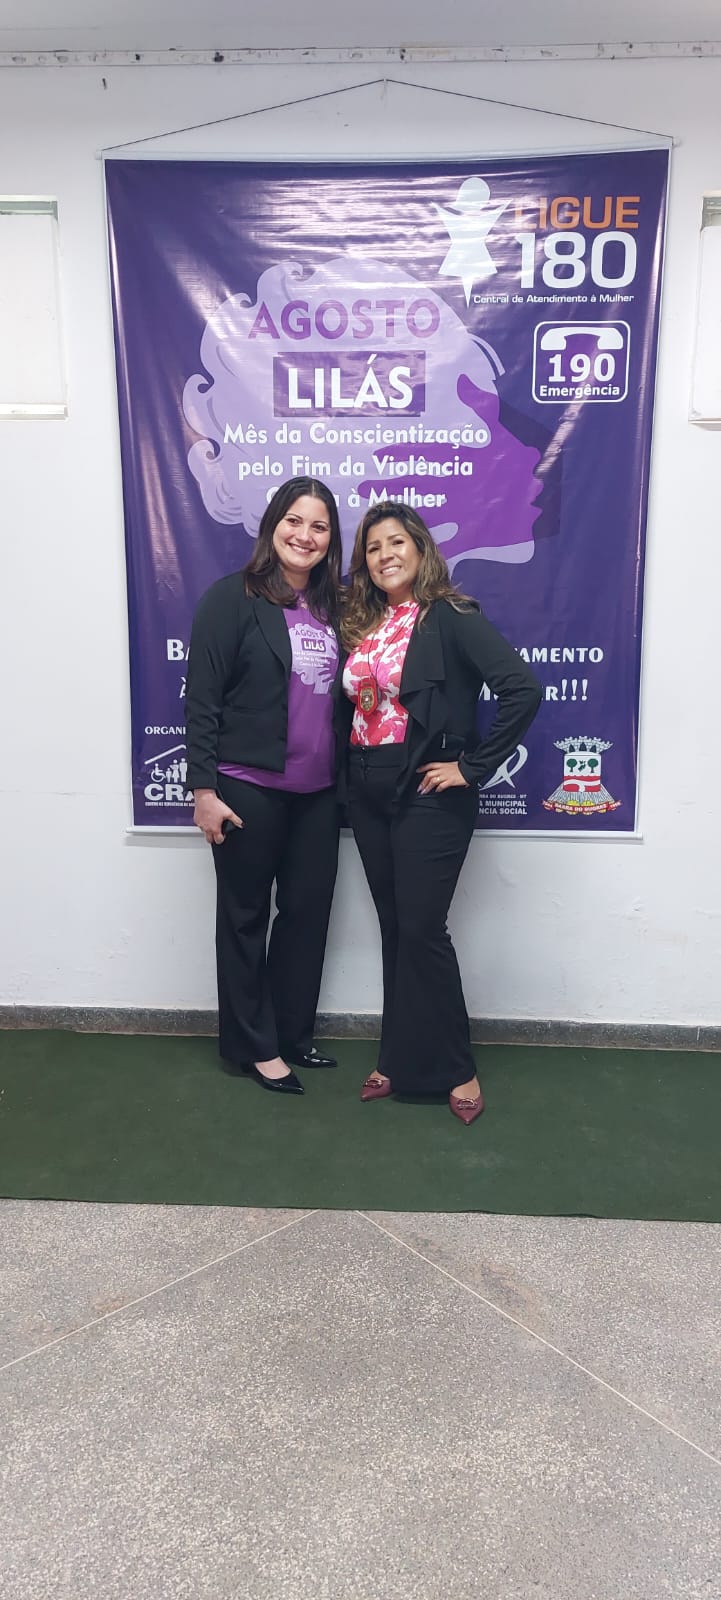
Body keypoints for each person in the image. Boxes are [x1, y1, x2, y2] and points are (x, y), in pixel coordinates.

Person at [341, 501, 542, 1125]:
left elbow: (521, 689)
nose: (385, 555)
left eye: (396, 542)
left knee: (424, 930)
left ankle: (458, 1067)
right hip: (367, 789)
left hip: (428, 791)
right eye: (373, 547)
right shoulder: (366, 624)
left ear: (421, 549)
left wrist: (471, 767)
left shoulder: (450, 615)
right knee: (397, 929)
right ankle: (396, 1059)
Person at [185, 477, 345, 1097]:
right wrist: (204, 791)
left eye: (319, 526)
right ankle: (255, 1047)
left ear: (331, 540)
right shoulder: (231, 598)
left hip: (319, 793)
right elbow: (202, 700)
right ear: (272, 524)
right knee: (245, 917)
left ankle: (292, 1032)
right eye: (294, 521)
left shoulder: (337, 607)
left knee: (307, 915)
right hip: (247, 787)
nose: (305, 535)